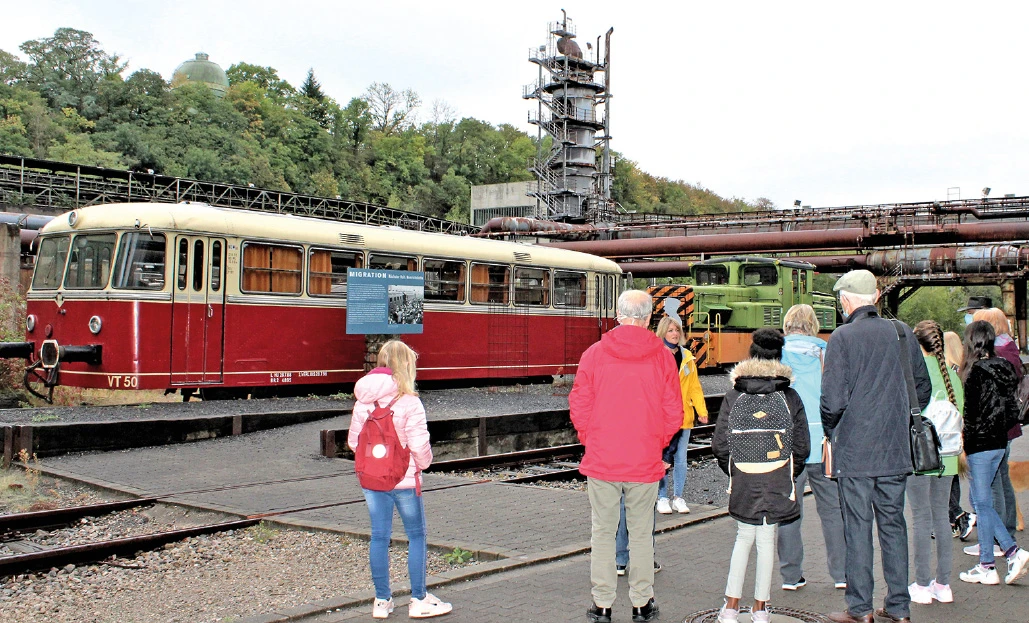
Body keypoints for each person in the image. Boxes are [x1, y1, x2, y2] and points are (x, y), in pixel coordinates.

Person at [821, 269, 931, 623]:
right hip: (895, 450)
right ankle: (899, 608)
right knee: (894, 525)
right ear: (877, 297)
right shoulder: (902, 333)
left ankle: (860, 609)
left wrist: (832, 431)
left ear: (845, 301)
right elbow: (922, 388)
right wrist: (896, 419)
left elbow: (832, 401)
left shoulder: (842, 337)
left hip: (855, 453)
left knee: (857, 528)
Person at [569, 289, 683, 623]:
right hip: (644, 461)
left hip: (602, 459)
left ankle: (602, 605)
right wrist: (656, 444)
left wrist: (591, 439)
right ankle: (642, 604)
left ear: (618, 316)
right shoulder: (662, 357)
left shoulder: (594, 354)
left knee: (603, 533)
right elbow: (673, 412)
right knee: (641, 533)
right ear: (648, 319)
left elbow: (579, 404)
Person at [347, 340, 453, 619]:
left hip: (373, 480)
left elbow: (353, 443)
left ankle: (382, 601)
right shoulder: (410, 402)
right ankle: (418, 599)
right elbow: (419, 445)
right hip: (404, 480)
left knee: (379, 536)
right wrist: (424, 464)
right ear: (406, 365)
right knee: (416, 536)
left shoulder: (363, 402)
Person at [712, 328, 809, 623]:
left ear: (752, 355)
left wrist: (736, 470)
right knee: (766, 539)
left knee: (743, 537)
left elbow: (720, 445)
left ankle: (730, 607)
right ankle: (761, 609)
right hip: (778, 476)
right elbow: (802, 446)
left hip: (744, 476)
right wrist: (787, 472)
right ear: (779, 358)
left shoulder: (734, 395)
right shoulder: (789, 396)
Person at [774, 304, 846, 592]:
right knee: (833, 511)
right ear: (814, 325)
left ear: (787, 325)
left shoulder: (778, 356)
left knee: (789, 511)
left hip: (788, 446)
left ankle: (791, 576)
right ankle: (841, 573)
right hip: (822, 444)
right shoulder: (826, 354)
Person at [957, 321, 1029, 586]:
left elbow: (970, 415)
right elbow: (1011, 409)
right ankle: (989, 563)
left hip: (980, 445)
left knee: (982, 503)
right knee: (985, 503)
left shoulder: (973, 373)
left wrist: (967, 441)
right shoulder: (1005, 367)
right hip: (1000, 442)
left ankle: (1009, 553)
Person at [906, 320, 964, 605]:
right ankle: (943, 584)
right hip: (949, 458)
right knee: (941, 517)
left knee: (920, 518)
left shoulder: (913, 374)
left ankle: (921, 584)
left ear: (917, 345)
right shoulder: (952, 375)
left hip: (920, 458)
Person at [969, 307, 1022, 542]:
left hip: (991, 429)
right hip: (1006, 425)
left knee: (992, 485)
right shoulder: (1010, 348)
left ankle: (998, 537)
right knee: (1002, 478)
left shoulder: (994, 357)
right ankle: (1006, 529)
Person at [654, 314, 709, 514]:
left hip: (684, 416)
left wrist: (701, 411)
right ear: (663, 333)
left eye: (677, 330)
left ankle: (678, 497)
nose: (675, 333)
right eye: (670, 330)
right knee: (661, 458)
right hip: (662, 417)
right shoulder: (656, 355)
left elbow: (694, 386)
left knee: (680, 459)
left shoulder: (687, 357)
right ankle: (662, 497)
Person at [944, 330, 976, 540]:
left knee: (945, 478)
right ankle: (953, 520)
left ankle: (958, 515)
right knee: (952, 477)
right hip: (960, 431)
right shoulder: (963, 370)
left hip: (949, 432)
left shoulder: (947, 372)